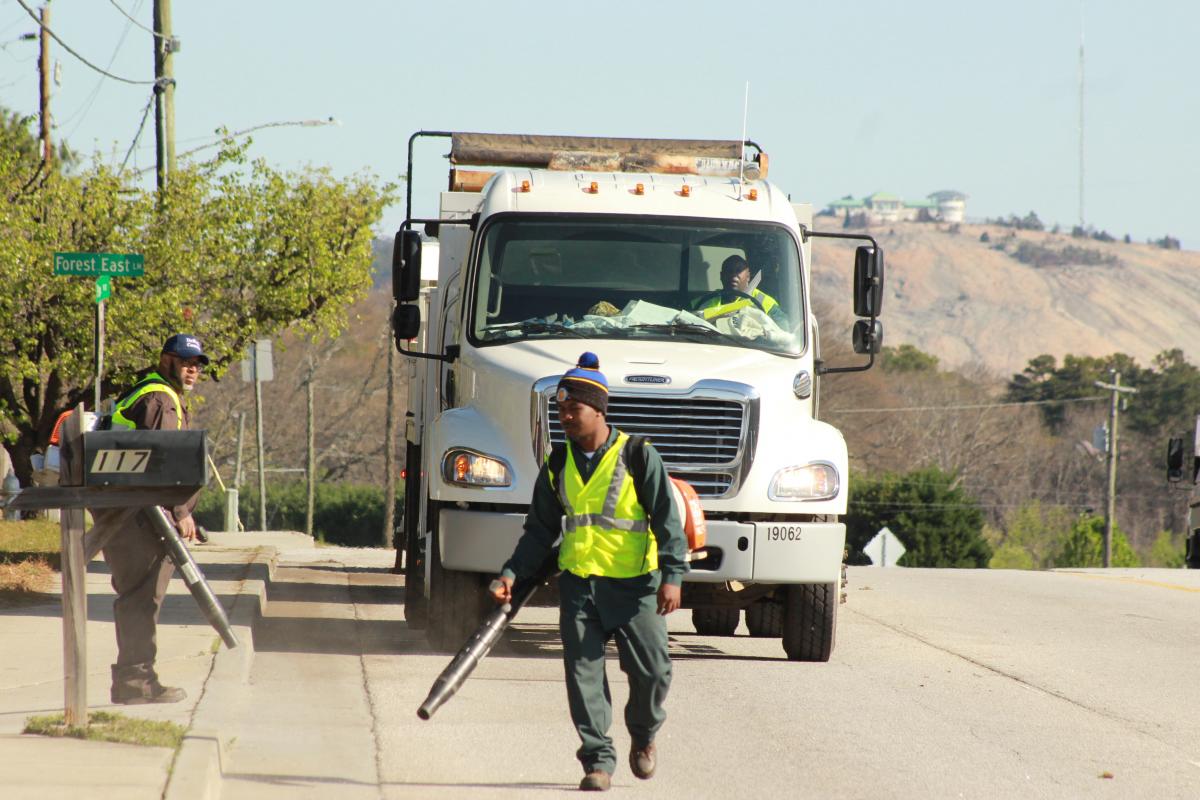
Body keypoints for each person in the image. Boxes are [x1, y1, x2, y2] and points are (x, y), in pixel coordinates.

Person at [491, 352, 689, 792]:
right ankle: (597, 761)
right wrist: (510, 573)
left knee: (654, 673)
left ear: (598, 409)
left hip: (636, 587)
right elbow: (538, 533)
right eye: (559, 409)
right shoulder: (557, 465)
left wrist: (673, 575)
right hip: (580, 586)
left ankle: (644, 733)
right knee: (583, 678)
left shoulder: (638, 455)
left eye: (572, 408)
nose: (564, 416)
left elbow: (666, 520)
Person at [98, 333, 208, 704]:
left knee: (138, 598)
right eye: (185, 361)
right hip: (139, 517)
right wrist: (178, 512)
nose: (192, 369)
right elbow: (161, 462)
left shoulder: (148, 391)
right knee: (141, 599)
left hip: (127, 511)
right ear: (166, 361)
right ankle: (135, 684)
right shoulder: (161, 398)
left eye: (197, 364)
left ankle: (138, 680)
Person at [695, 254, 786, 326]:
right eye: (729, 271)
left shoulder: (767, 304)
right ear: (721, 276)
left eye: (739, 270)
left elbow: (784, 336)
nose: (734, 274)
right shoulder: (703, 302)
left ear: (748, 276)